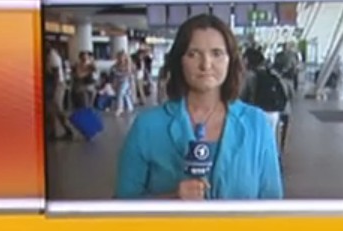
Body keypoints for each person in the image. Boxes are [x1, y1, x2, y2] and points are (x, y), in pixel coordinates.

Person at [114, 13, 283, 200]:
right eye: (193, 54)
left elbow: (273, 204)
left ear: (231, 60)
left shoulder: (256, 124)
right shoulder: (147, 126)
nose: (206, 65)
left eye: (217, 53)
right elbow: (121, 206)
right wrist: (172, 199)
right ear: (179, 60)